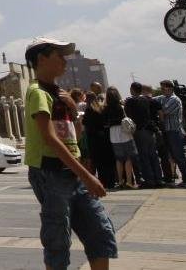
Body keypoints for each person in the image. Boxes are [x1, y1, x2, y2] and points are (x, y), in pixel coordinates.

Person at [23, 38, 117, 270]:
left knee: (100, 232)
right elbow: (50, 139)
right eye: (59, 56)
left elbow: (73, 135)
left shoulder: (59, 93)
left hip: (72, 171)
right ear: (42, 59)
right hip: (50, 172)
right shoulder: (37, 93)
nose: (65, 61)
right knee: (58, 240)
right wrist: (87, 175)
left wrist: (74, 110)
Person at [124, 82, 163, 188]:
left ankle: (149, 180)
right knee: (153, 155)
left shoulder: (130, 101)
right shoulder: (146, 99)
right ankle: (159, 178)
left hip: (139, 130)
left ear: (132, 89)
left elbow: (127, 115)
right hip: (150, 130)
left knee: (143, 156)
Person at [156, 80, 186, 188]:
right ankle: (185, 179)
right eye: (161, 89)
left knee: (179, 156)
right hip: (168, 131)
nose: (162, 90)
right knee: (174, 156)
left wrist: (159, 110)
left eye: (164, 88)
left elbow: (164, 111)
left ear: (170, 88)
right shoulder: (163, 98)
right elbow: (154, 100)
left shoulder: (174, 99)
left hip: (174, 131)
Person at [104, 87, 137, 189]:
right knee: (128, 157)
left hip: (113, 134)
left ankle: (120, 181)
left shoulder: (105, 108)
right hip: (124, 132)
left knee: (119, 159)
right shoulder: (121, 106)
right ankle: (129, 181)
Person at [83, 91, 117, 188]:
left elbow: (85, 122)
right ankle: (111, 181)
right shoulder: (103, 107)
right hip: (106, 137)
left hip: (94, 139)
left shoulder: (89, 109)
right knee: (109, 160)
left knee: (99, 162)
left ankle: (103, 181)